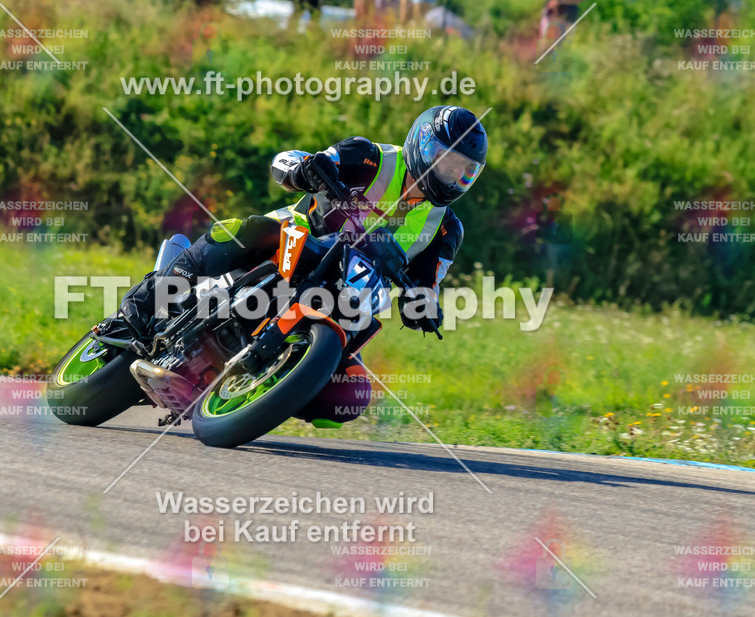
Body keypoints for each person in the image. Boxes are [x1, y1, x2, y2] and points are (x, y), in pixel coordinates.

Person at [119, 106, 488, 424]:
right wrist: (305, 170)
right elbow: (290, 161)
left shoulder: (446, 229)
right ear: (423, 146)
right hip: (299, 242)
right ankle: (140, 304)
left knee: (351, 394)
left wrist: (423, 308)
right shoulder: (369, 157)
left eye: (462, 170)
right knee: (248, 231)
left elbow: (426, 284)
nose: (451, 174)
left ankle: (259, 395)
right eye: (446, 161)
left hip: (350, 295)